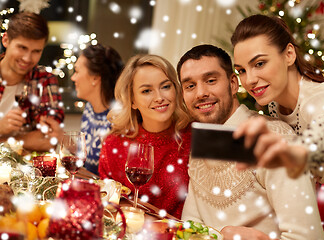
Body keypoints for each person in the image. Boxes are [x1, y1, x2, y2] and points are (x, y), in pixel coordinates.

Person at [231, 14, 324, 239]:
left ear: (289, 54)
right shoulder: (276, 105)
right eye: (242, 70)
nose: (249, 80)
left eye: (259, 64)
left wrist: (293, 153)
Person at [177, 44, 324, 240]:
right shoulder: (205, 140)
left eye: (211, 80)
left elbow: (309, 237)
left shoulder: (275, 139)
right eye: (190, 86)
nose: (200, 93)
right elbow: (192, 226)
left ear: (232, 84)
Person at [99, 54, 191, 219]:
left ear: (176, 89)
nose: (159, 98)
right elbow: (107, 207)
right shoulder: (114, 144)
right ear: (132, 100)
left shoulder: (194, 137)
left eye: (165, 86)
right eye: (146, 91)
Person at [0, 12, 64, 152]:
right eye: (22, 48)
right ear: (6, 40)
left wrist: (6, 140)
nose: (27, 58)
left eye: (36, 51)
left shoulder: (45, 79)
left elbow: (49, 140)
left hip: (26, 171)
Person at [70, 43, 124, 175]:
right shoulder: (89, 109)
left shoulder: (120, 119)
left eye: (77, 71)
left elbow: (112, 179)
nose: (73, 78)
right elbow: (87, 158)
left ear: (95, 78)